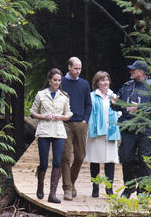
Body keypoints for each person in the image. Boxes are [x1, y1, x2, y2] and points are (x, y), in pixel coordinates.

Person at [111, 60, 151, 199]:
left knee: (145, 160)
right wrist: (114, 102)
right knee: (126, 158)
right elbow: (117, 105)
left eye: (133, 70)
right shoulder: (127, 86)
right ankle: (129, 187)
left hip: (146, 129)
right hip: (128, 129)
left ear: (141, 72)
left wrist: (140, 108)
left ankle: (143, 191)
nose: (131, 71)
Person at [30, 68, 73, 203]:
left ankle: (52, 194)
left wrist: (62, 117)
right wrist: (43, 116)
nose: (57, 83)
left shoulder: (64, 96)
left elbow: (68, 114)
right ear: (49, 80)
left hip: (59, 132)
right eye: (54, 80)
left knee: (57, 162)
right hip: (44, 131)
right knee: (43, 163)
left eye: (59, 80)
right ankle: (40, 184)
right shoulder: (41, 95)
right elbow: (33, 112)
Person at [61, 57, 92, 200]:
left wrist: (85, 119)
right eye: (75, 68)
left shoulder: (84, 84)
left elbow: (88, 104)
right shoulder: (60, 82)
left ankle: (71, 182)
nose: (78, 71)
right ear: (69, 67)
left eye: (80, 68)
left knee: (80, 156)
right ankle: (67, 188)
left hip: (80, 122)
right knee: (66, 156)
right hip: (64, 122)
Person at [85, 71, 120, 198]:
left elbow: (119, 112)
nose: (105, 82)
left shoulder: (114, 96)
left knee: (110, 160)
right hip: (96, 133)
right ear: (97, 82)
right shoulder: (91, 96)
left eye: (107, 80)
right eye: (102, 80)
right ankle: (95, 188)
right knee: (95, 160)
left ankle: (109, 188)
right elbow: (88, 112)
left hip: (110, 132)